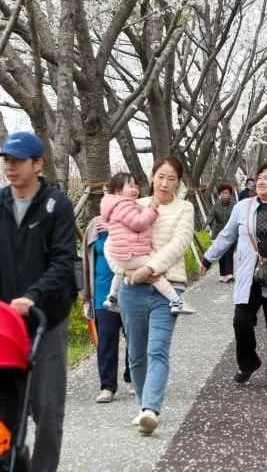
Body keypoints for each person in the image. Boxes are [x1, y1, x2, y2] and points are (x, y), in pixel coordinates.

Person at [0, 131, 77, 472]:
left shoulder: (56, 206)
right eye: (6, 161)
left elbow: (63, 262)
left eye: (17, 161)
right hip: (6, 323)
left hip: (47, 319)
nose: (10, 167)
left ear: (38, 164)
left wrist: (33, 296)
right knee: (7, 409)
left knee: (48, 412)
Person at [203, 162, 267, 389]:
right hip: (249, 274)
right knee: (241, 322)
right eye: (259, 177)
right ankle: (248, 363)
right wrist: (207, 258)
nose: (260, 181)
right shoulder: (243, 207)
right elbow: (226, 236)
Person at [118, 157, 195, 435]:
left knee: (157, 349)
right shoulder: (134, 205)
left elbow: (179, 244)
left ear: (179, 182)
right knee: (136, 353)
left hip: (169, 287)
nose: (164, 183)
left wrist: (149, 269)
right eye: (160, 176)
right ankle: (143, 407)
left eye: (171, 179)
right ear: (152, 177)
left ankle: (151, 409)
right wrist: (128, 271)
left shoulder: (185, 208)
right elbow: (117, 243)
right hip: (132, 288)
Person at [100, 172, 194, 316]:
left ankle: (112, 297)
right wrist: (152, 209)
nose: (135, 189)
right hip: (131, 253)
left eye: (136, 186)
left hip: (120, 255)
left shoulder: (113, 206)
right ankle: (176, 301)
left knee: (120, 273)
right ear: (118, 191)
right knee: (155, 271)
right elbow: (138, 223)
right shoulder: (124, 205)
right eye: (130, 186)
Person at [82, 215, 131, 404]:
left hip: (129, 289)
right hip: (102, 292)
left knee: (134, 338)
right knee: (106, 341)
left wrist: (115, 230)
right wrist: (85, 293)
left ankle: (132, 377)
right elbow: (86, 260)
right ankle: (107, 386)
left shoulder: (132, 219)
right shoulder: (94, 225)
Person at [209, 183, 236, 282]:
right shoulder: (215, 206)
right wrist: (208, 225)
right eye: (223, 193)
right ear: (220, 194)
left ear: (230, 194)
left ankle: (229, 274)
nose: (225, 195)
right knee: (221, 254)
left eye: (227, 193)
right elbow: (211, 217)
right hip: (219, 233)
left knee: (229, 253)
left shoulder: (234, 205)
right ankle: (222, 275)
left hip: (231, 233)